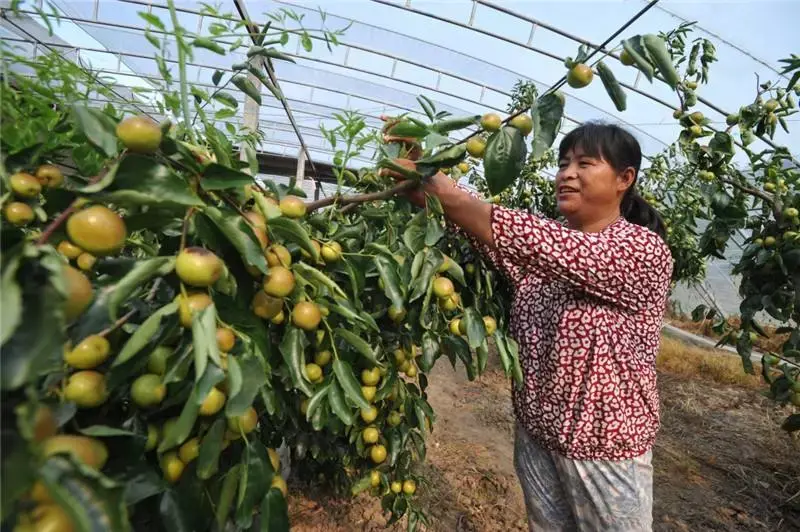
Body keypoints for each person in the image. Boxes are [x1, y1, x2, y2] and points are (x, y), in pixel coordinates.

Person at [389, 122, 673, 531]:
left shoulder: (641, 249)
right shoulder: (545, 256)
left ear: (624, 179)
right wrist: (429, 185)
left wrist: (447, 192)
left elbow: (541, 242)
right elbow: (492, 237)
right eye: (563, 164)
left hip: (603, 450)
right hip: (537, 437)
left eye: (584, 163)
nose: (567, 173)